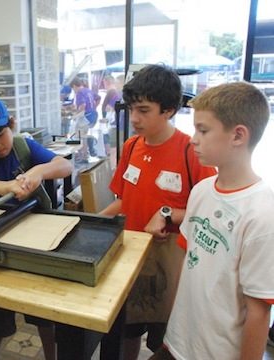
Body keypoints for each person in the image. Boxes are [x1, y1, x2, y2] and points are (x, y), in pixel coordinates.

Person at [100, 64, 216, 360]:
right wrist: (93, 221)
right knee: (127, 329)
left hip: (170, 268)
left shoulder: (192, 152)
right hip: (129, 259)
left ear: (168, 110)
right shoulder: (131, 146)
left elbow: (209, 214)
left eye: (144, 110)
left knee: (163, 342)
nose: (134, 118)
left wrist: (168, 213)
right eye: (131, 109)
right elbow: (124, 201)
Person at [155, 82, 274, 360]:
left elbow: (258, 311)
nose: (193, 139)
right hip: (177, 342)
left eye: (203, 130)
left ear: (238, 136)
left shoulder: (263, 213)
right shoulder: (201, 191)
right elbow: (188, 266)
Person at [0, 96, 73, 360]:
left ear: (12, 124)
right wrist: (5, 187)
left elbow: (65, 166)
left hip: (35, 239)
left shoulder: (24, 147)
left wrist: (39, 171)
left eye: (0, 134)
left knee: (44, 314)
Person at [70, 76, 99, 160]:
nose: (74, 91)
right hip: (93, 115)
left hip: (86, 117)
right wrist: (93, 108)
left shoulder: (79, 93)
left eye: (73, 88)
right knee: (84, 134)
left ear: (75, 86)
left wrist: (75, 115)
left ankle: (83, 156)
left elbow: (82, 106)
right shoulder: (88, 90)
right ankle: (87, 153)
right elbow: (98, 98)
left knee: (80, 136)